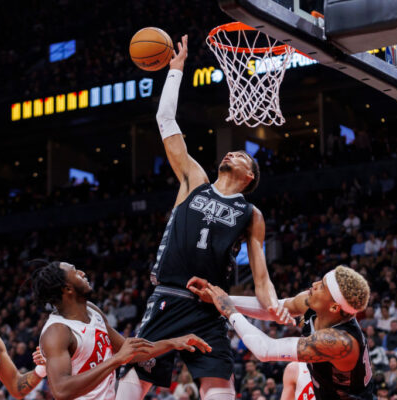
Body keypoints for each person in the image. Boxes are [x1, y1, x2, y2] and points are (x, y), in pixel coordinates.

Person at [117, 34, 290, 400]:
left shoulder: (250, 213)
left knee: (219, 385)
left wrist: (275, 306)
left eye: (242, 155)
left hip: (209, 306)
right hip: (167, 296)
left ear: (249, 177)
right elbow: (165, 119)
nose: (232, 154)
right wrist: (176, 70)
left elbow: (261, 278)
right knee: (137, 376)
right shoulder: (194, 180)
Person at [30, 261, 211, 400]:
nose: (82, 272)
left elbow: (129, 350)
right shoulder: (57, 332)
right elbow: (61, 390)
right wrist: (116, 360)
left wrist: (174, 342)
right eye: (75, 272)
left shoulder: (92, 310)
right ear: (67, 289)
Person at [190, 265, 374, 399]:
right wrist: (217, 297)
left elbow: (266, 350)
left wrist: (230, 311)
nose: (315, 283)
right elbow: (274, 308)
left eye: (323, 286)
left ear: (334, 307)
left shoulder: (339, 341)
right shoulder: (314, 303)